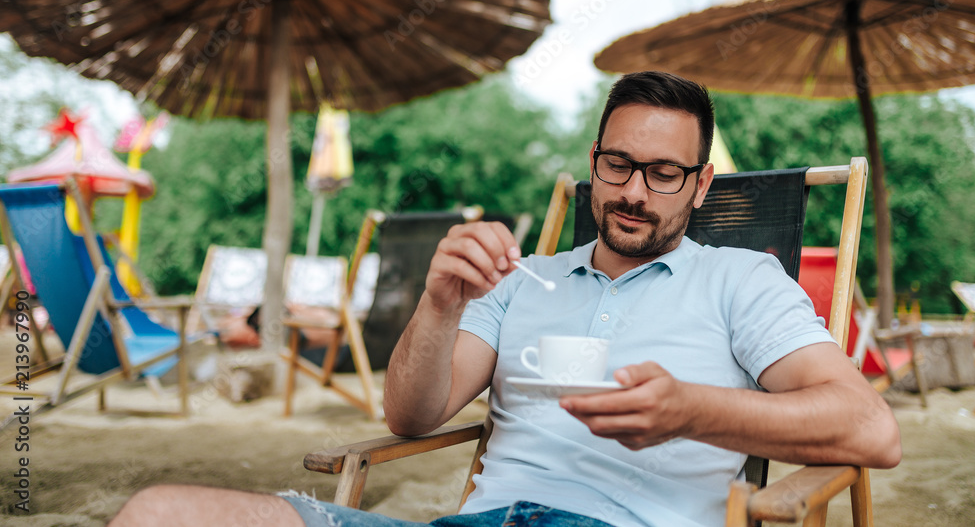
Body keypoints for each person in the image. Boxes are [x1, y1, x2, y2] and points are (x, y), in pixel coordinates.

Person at [109, 71, 901, 527]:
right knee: (156, 513)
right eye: (618, 165)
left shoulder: (742, 280)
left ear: (699, 187)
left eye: (664, 173)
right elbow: (412, 418)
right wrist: (442, 300)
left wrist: (694, 411)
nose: (633, 192)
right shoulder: (524, 276)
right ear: (594, 163)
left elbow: (870, 429)